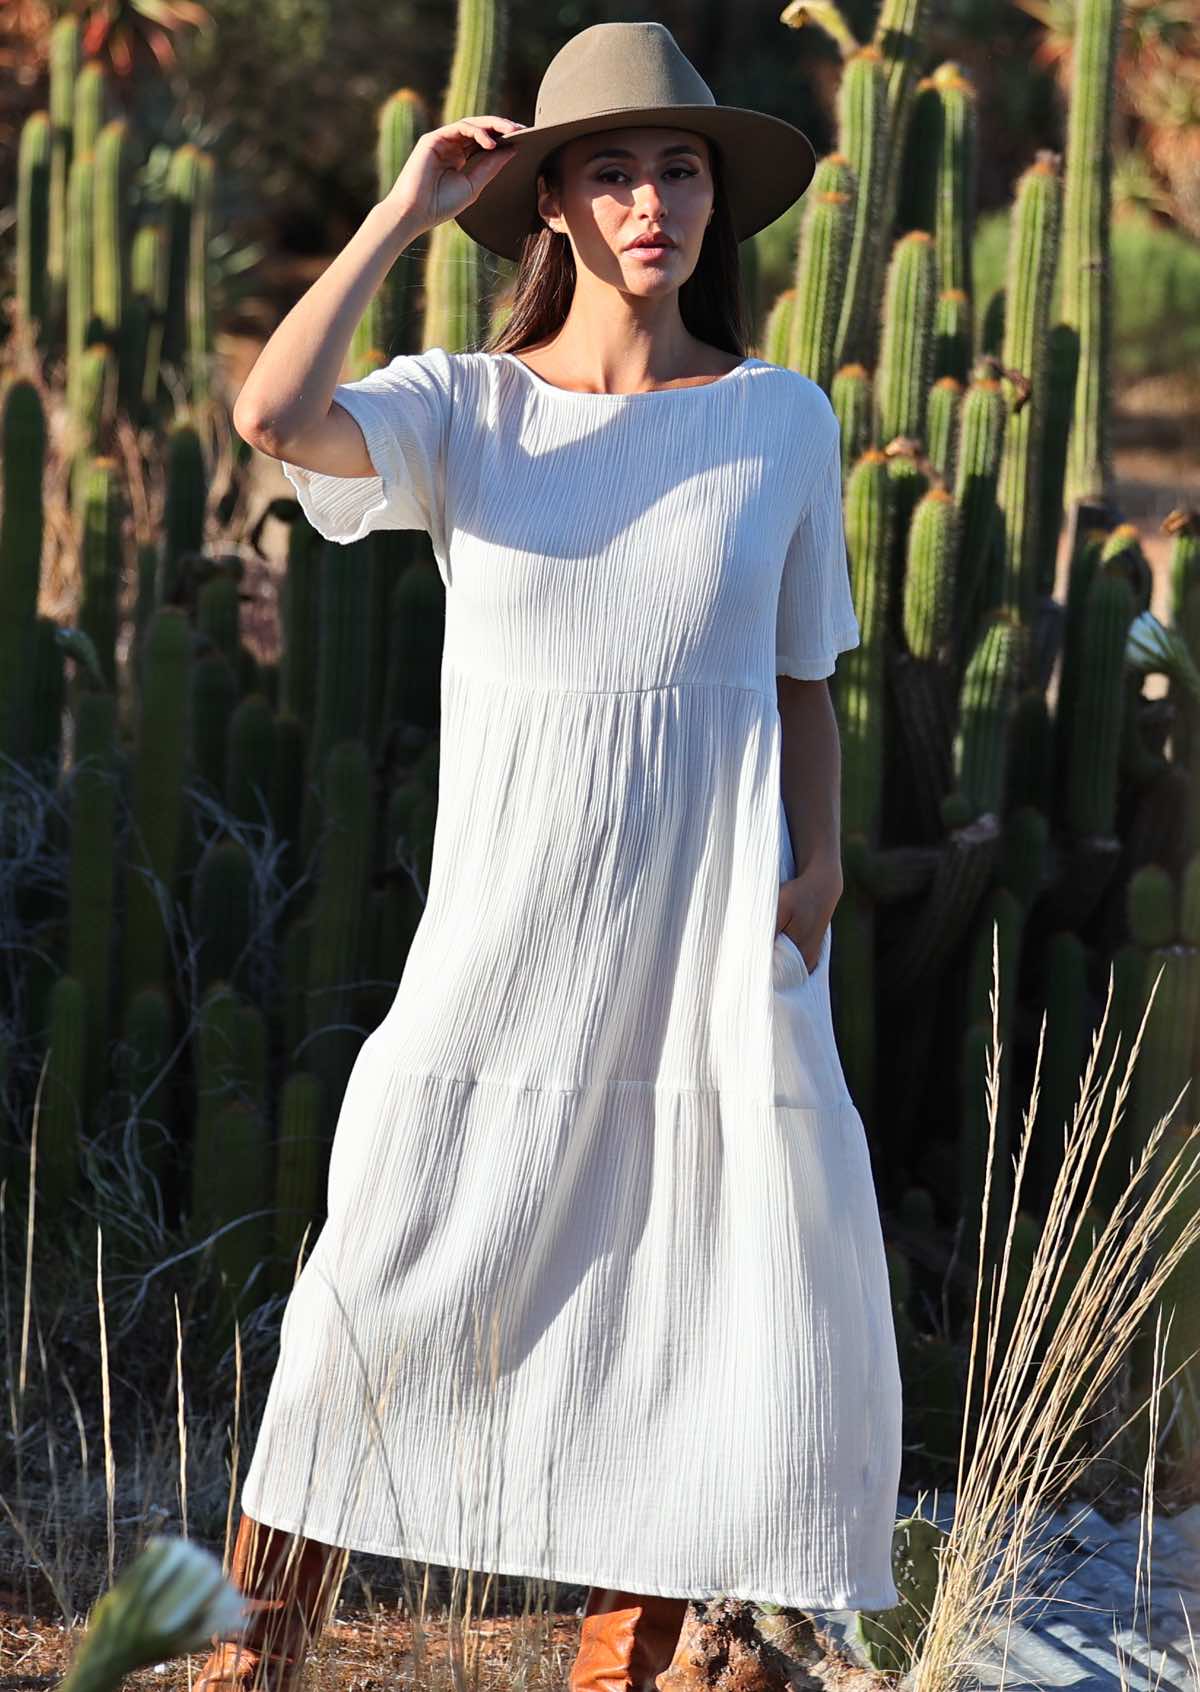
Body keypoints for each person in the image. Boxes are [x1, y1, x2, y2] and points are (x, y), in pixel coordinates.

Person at [201, 20, 903, 1692]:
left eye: (680, 170)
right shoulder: (468, 411)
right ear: (556, 212)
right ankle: (250, 1650)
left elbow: (806, 675)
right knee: (382, 1268)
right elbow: (272, 412)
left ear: (715, 204)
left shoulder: (781, 420)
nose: (653, 200)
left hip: (711, 946)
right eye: (611, 170)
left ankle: (629, 1661)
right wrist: (401, 210)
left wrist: (815, 881)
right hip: (506, 931)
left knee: (693, 1302)